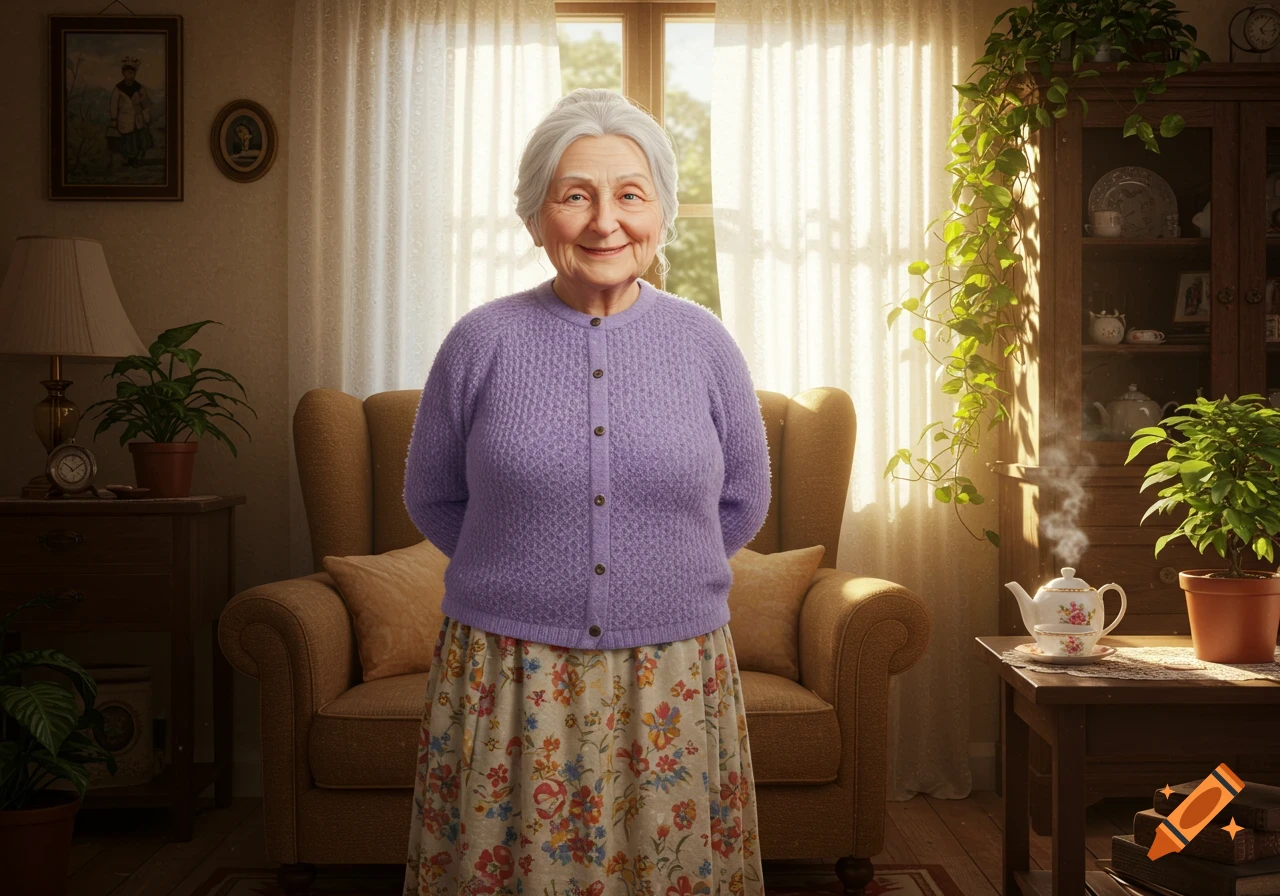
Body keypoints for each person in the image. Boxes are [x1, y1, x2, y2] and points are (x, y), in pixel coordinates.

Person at [401, 88, 771, 896]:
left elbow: (743, 499)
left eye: (630, 195)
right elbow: (430, 495)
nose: (606, 221)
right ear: (537, 217)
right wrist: (521, 569)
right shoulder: (479, 343)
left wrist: (661, 574)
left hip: (672, 672)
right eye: (576, 196)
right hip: (510, 676)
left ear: (662, 213)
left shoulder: (706, 345)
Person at [108, 56, 154, 169]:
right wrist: (114, 119)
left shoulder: (139, 87)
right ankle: (130, 159)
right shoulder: (118, 88)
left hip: (138, 119)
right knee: (127, 141)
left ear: (134, 73)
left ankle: (135, 159)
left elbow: (146, 102)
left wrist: (146, 115)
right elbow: (113, 104)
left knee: (138, 139)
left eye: (132, 72)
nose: (130, 75)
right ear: (123, 73)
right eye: (127, 72)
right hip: (124, 119)